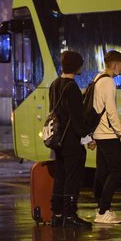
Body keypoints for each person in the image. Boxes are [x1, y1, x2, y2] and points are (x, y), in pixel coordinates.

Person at [49, 50, 93, 228]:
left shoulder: (54, 84)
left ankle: (57, 214)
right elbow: (77, 118)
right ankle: (70, 215)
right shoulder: (72, 87)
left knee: (60, 176)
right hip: (71, 141)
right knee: (73, 178)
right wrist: (87, 137)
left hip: (57, 139)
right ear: (77, 66)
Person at [91, 50, 121, 225]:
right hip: (108, 134)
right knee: (116, 172)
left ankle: (101, 207)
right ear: (114, 65)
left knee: (102, 172)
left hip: (99, 133)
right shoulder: (108, 83)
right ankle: (103, 210)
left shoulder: (97, 79)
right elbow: (111, 111)